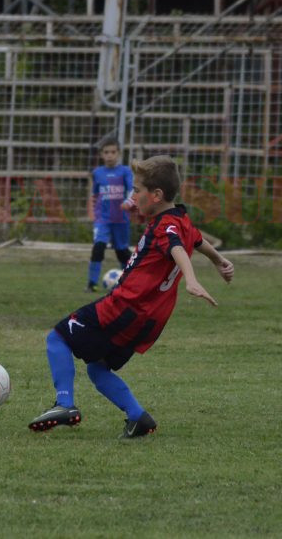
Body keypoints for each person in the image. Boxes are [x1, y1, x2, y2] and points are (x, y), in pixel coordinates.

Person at [30, 155, 234, 438]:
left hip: (126, 306)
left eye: (137, 190)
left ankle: (65, 404)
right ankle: (138, 417)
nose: (133, 195)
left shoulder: (166, 227)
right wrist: (219, 260)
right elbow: (197, 240)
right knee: (97, 368)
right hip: (149, 319)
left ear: (157, 195)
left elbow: (176, 248)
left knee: (58, 337)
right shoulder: (180, 219)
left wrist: (191, 279)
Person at [84, 136, 134, 292]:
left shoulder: (125, 171)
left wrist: (129, 202)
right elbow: (94, 195)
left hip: (121, 219)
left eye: (113, 152)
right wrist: (94, 213)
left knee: (122, 252)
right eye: (106, 152)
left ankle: (128, 284)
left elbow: (133, 190)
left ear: (118, 153)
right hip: (103, 220)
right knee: (98, 247)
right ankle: (92, 284)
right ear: (101, 154)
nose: (110, 155)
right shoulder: (97, 173)